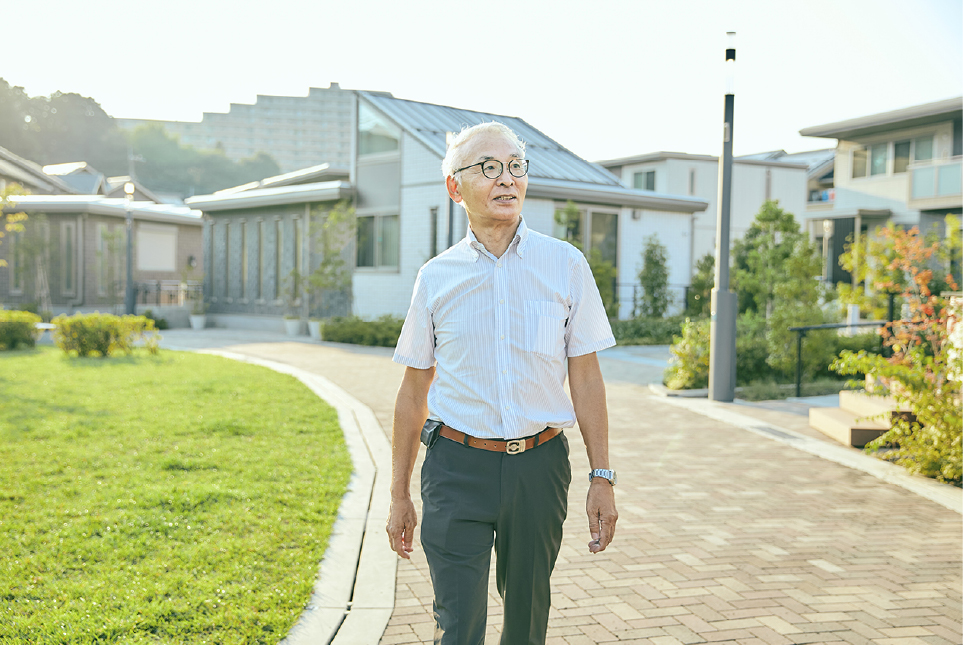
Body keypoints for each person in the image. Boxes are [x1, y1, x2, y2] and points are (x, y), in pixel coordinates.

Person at [386, 121, 618, 645]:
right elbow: (412, 391)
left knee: (526, 623)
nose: (506, 179)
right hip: (454, 467)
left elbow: (586, 377)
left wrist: (601, 474)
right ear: (455, 188)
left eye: (516, 166)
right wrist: (399, 493)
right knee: (459, 624)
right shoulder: (436, 277)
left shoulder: (565, 265)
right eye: (489, 168)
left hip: (538, 468)